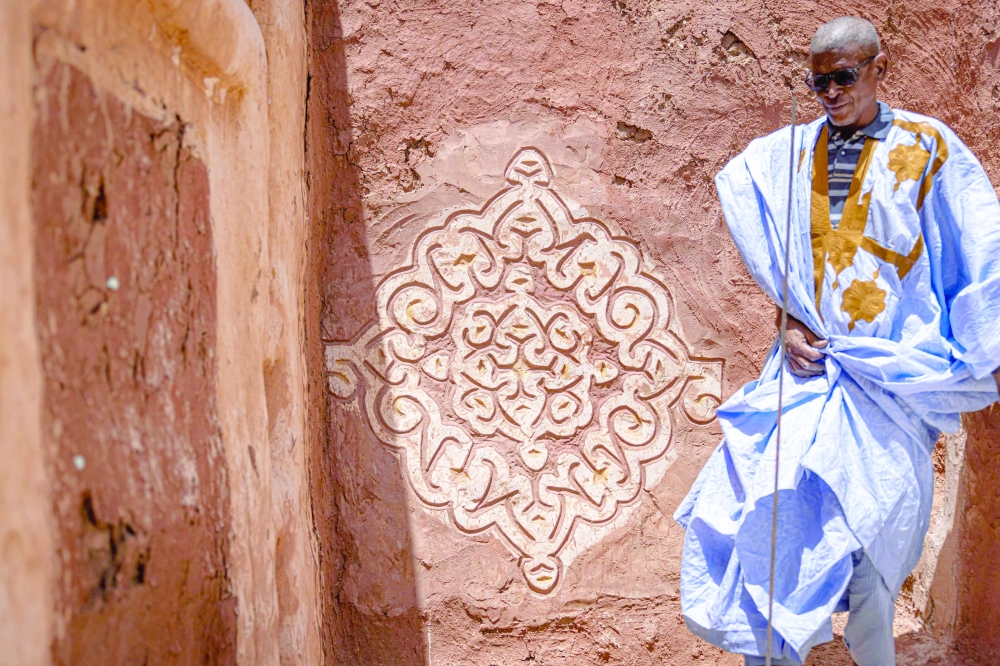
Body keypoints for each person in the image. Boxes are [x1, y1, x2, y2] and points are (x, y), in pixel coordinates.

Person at [673, 16, 1000, 666]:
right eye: (817, 81)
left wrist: (971, 347)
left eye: (844, 77)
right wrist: (788, 319)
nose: (829, 92)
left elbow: (978, 250)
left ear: (881, 67)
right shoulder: (790, 153)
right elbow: (771, 239)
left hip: (889, 383)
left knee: (878, 549)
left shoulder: (927, 149)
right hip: (803, 379)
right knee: (767, 523)